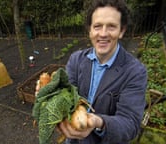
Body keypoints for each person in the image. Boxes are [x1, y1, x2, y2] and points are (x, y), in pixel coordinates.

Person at [58, 0, 148, 143]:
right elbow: (66, 96)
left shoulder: (135, 72)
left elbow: (130, 124)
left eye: (111, 26)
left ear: (122, 31)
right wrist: (50, 95)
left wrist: (98, 122)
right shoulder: (76, 60)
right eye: (97, 26)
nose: (103, 34)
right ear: (90, 30)